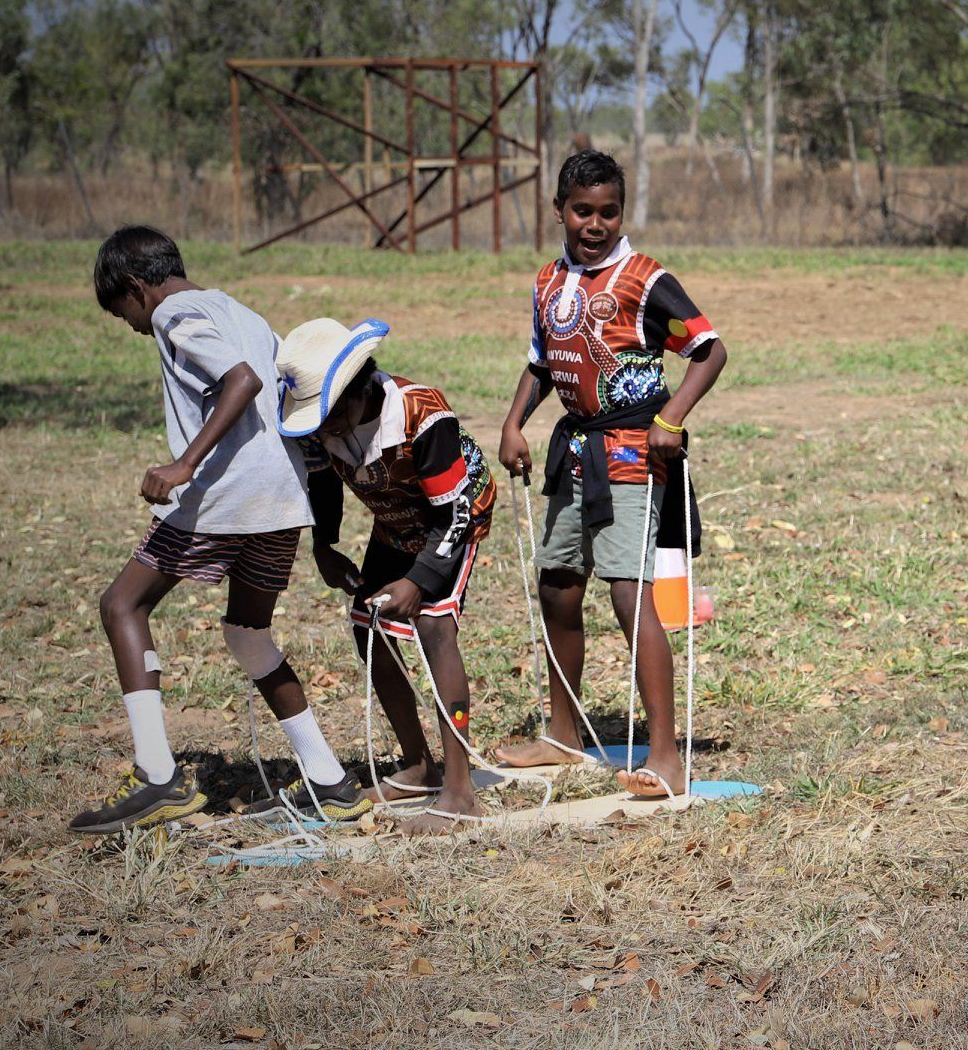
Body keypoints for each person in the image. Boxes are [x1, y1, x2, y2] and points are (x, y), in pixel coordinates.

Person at [72, 226, 370, 834]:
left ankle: (158, 776)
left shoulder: (173, 315)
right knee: (248, 635)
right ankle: (331, 781)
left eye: (122, 311)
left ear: (135, 288)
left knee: (122, 606)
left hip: (221, 498)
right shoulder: (245, 312)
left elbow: (242, 381)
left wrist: (183, 464)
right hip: (280, 503)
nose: (129, 324)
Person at [493, 150, 727, 799]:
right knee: (559, 587)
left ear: (621, 212)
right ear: (559, 210)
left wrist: (672, 418)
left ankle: (665, 756)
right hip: (574, 455)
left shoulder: (644, 280)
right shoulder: (547, 281)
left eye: (608, 212)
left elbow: (708, 348)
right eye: (581, 211)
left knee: (630, 595)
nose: (594, 224)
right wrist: (514, 424)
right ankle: (563, 735)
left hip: (629, 454)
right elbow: (542, 363)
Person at [278, 319, 497, 835]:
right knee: (368, 628)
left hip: (453, 519)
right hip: (396, 523)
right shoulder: (322, 427)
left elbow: (456, 515)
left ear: (360, 389)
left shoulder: (420, 416)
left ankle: (460, 791)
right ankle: (418, 767)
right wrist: (324, 545)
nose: (325, 430)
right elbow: (322, 481)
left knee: (434, 628)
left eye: (331, 416)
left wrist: (419, 582)